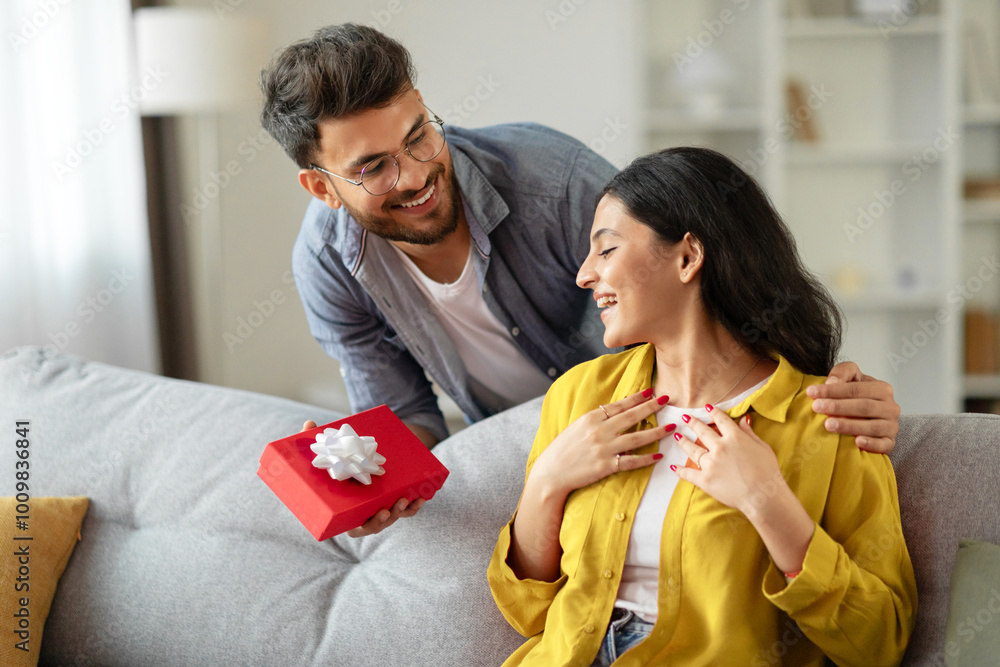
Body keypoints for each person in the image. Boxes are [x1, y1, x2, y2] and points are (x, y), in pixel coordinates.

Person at [259, 24, 902, 537]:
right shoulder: (328, 264)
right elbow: (406, 417)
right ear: (322, 188)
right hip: (520, 453)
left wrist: (819, 388)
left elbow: (697, 286)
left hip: (645, 434)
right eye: (373, 167)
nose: (416, 174)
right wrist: (379, 480)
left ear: (425, 109)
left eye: (419, 135)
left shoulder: (554, 182)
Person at [487, 147, 917, 666]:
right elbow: (527, 612)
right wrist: (548, 480)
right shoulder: (580, 395)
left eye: (606, 250)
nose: (583, 275)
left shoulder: (831, 421)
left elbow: (880, 644)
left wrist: (768, 504)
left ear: (688, 257)